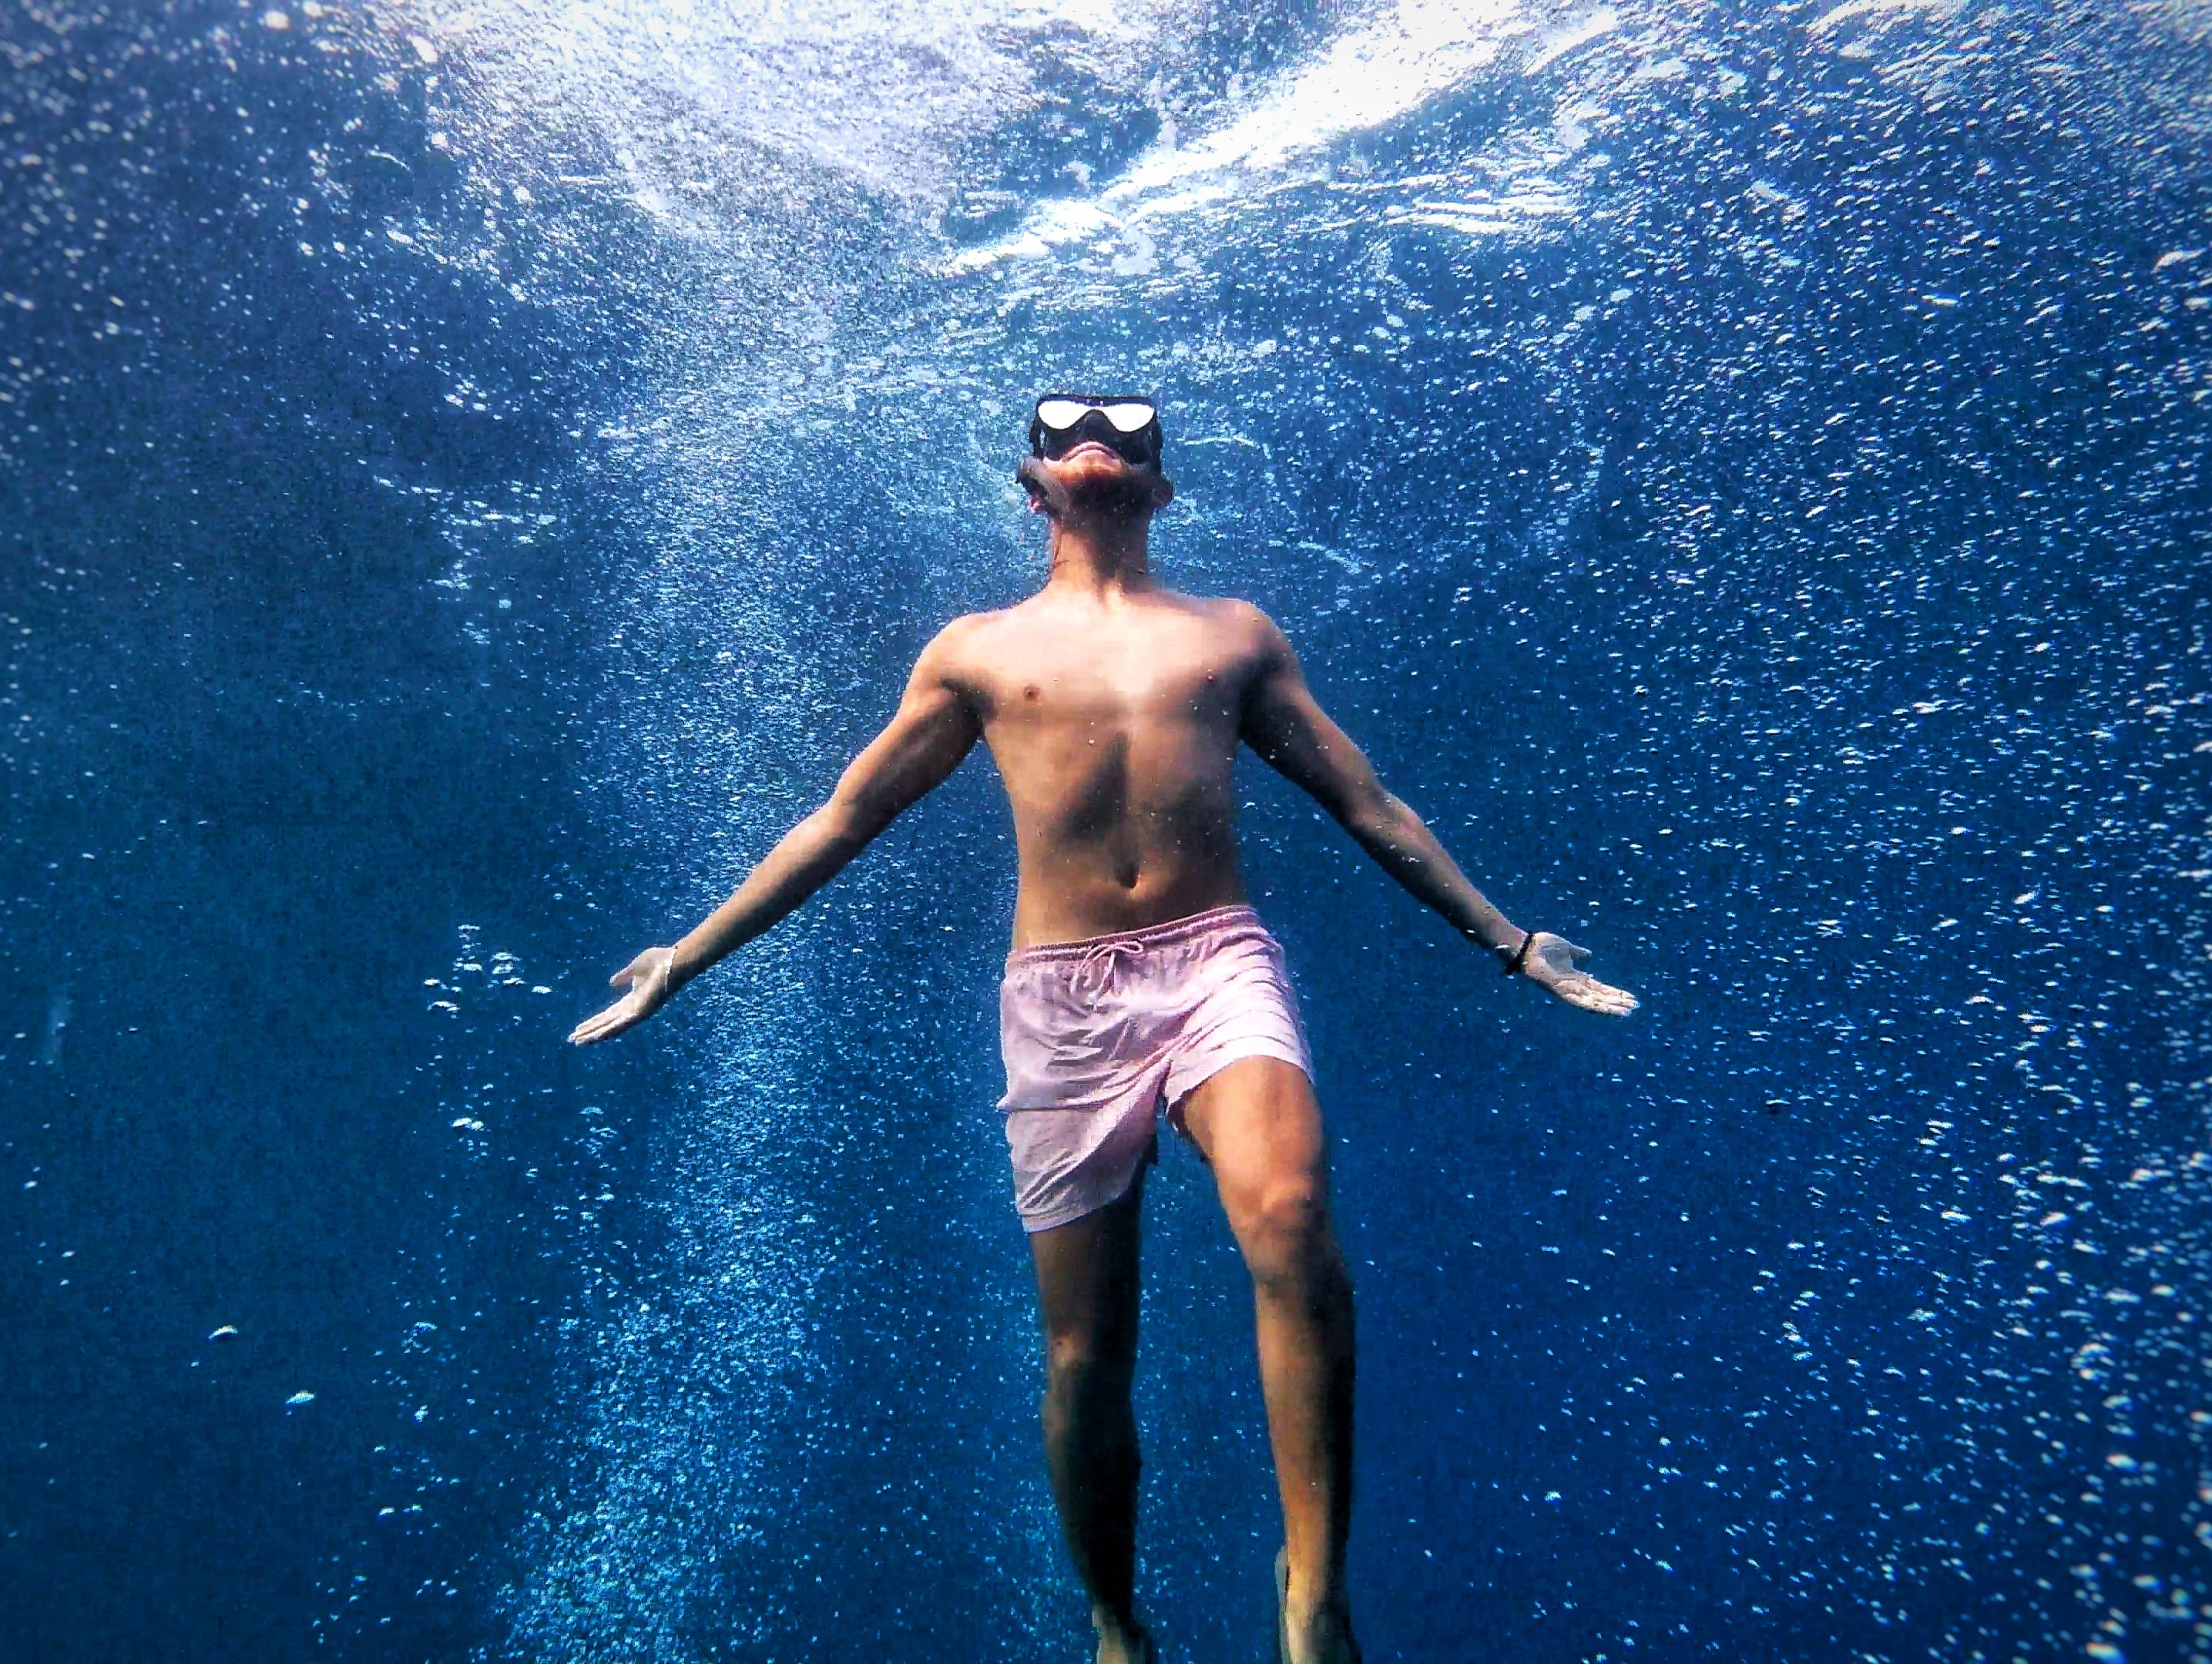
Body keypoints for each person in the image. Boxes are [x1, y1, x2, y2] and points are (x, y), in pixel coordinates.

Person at [573, 392, 1636, 1664]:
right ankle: (1116, 1626)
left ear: (1162, 486)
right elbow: (844, 818)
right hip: (1061, 996)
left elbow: (1368, 801)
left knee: (1293, 1220)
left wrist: (1510, 941)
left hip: (1214, 963)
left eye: (1131, 428)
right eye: (1070, 424)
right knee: (1086, 1355)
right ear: (1031, 486)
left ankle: (1313, 1595)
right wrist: (685, 958)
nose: (1099, 432)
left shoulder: (1234, 638)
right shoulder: (971, 651)